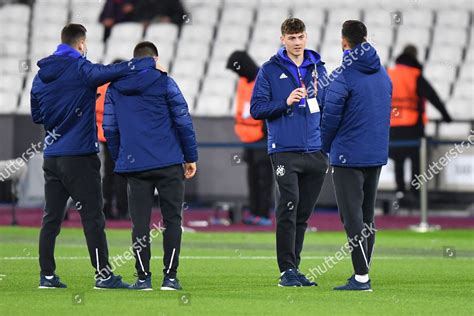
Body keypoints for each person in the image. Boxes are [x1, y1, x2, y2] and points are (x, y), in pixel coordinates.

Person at [30, 23, 157, 289]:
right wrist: (144, 63)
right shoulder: (81, 69)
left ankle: (47, 275)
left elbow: (37, 116)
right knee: (92, 218)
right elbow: (114, 70)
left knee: (51, 218)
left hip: (52, 156)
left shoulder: (40, 75)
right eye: (85, 44)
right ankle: (103, 275)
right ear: (80, 44)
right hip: (80, 156)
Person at [103, 41, 198, 291]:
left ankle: (143, 278)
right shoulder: (166, 82)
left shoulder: (115, 88)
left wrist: (120, 157)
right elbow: (183, 121)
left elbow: (109, 128)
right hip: (168, 161)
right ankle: (170, 277)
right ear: (155, 59)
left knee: (140, 224)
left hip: (135, 166)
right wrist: (190, 156)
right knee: (173, 221)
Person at [250, 18, 329, 287]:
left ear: (307, 37)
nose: (297, 43)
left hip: (315, 151)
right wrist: (284, 103)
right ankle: (286, 270)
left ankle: (294, 267)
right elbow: (257, 109)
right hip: (284, 150)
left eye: (301, 37)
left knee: (303, 213)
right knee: (289, 205)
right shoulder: (269, 70)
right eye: (291, 38)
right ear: (282, 39)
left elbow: (328, 106)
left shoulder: (319, 68)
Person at [321, 20, 392, 291]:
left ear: (344, 41)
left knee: (351, 218)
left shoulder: (343, 75)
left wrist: (324, 146)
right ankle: (363, 273)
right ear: (366, 38)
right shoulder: (383, 73)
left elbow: (330, 117)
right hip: (374, 153)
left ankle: (362, 277)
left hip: (347, 155)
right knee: (366, 216)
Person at [387, 45, 452, 207]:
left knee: (398, 160)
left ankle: (400, 192)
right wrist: (446, 116)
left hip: (392, 125)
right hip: (412, 125)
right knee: (417, 160)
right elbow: (432, 96)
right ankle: (415, 194)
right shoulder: (415, 75)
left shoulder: (390, 73)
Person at [226, 51, 273, 226]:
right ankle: (254, 212)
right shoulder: (242, 82)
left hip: (262, 138)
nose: (236, 73)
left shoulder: (263, 80)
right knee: (252, 178)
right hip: (247, 139)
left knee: (264, 178)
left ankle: (264, 214)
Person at [95, 60, 129, 220]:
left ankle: (106, 208)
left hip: (103, 136)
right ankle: (122, 209)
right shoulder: (123, 88)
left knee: (108, 174)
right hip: (119, 137)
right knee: (121, 174)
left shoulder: (100, 87)